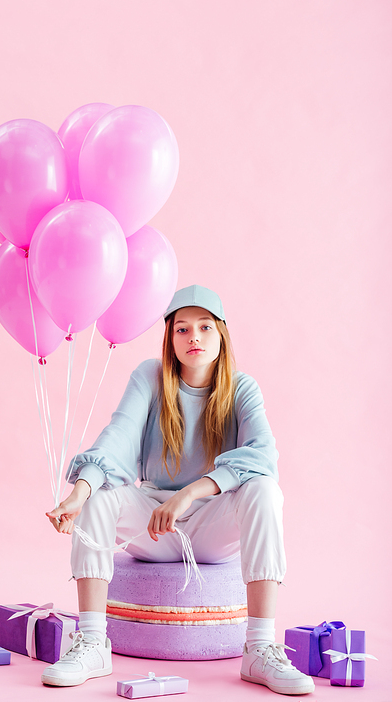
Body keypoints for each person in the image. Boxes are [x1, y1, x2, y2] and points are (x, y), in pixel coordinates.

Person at [42, 285, 315, 695]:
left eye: (205, 327)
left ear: (222, 335)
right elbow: (117, 439)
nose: (195, 338)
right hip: (153, 525)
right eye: (182, 330)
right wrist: (79, 493)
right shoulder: (150, 377)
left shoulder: (242, 388)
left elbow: (262, 457)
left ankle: (260, 649)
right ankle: (94, 643)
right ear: (169, 338)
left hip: (212, 522)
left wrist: (190, 493)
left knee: (264, 491)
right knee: (99, 495)